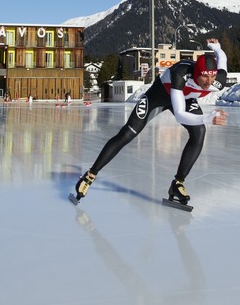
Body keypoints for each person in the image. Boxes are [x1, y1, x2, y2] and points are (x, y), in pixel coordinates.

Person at [73, 38, 228, 206]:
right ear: (197, 73)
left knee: (199, 132)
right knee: (127, 133)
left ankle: (178, 184)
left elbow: (222, 58)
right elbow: (180, 114)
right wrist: (207, 117)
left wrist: (216, 47)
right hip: (159, 96)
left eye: (212, 77)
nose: (209, 82)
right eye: (204, 76)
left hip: (185, 98)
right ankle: (90, 175)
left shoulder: (217, 82)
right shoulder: (181, 73)